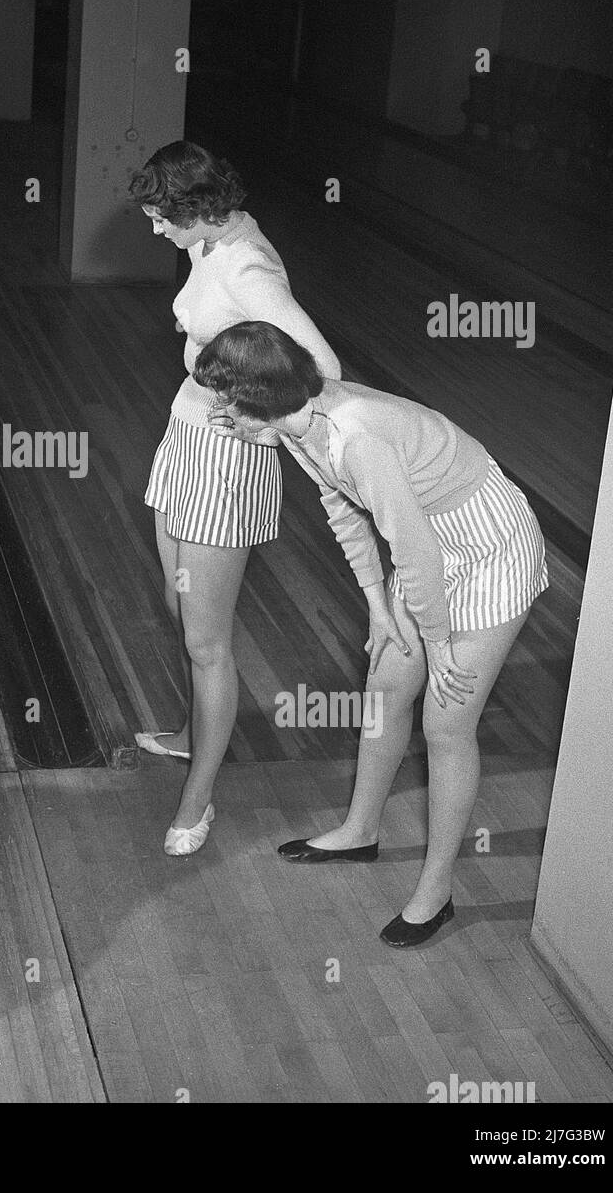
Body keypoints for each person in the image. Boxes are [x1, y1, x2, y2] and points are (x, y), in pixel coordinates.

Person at [194, 320, 548, 946]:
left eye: (228, 402)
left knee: (447, 719)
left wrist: (437, 644)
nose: (221, 412)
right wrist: (379, 607)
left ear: (262, 402)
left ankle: (436, 893)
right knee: (385, 691)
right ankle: (360, 831)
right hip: (428, 544)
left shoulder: (354, 437)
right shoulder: (302, 423)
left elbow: (413, 548)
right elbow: (344, 508)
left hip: (489, 545)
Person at [129, 141, 340, 856]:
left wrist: (259, 428)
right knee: (177, 604)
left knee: (205, 640)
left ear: (197, 209)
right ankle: (194, 732)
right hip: (186, 437)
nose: (157, 231)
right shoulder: (216, 239)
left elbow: (322, 370)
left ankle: (198, 800)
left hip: (227, 459)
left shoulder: (248, 266)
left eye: (163, 219)